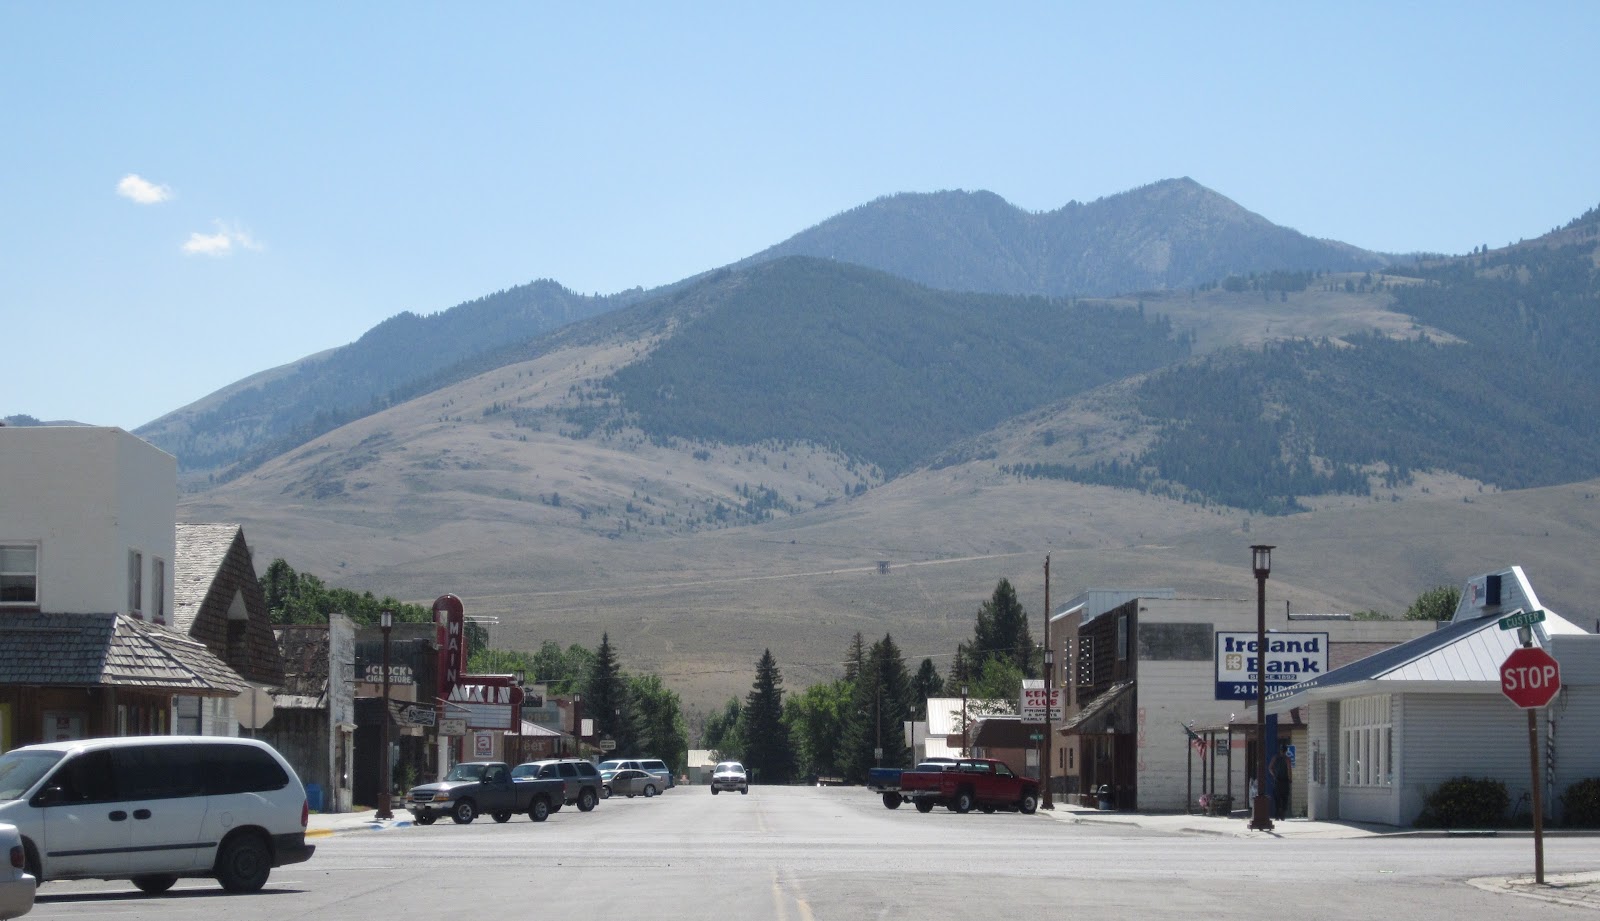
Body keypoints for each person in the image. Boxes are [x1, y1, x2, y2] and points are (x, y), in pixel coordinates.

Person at [1269, 742, 1292, 820]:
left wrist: (1274, 775)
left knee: (1277, 798)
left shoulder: (1275, 758)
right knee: (1284, 798)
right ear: (1286, 751)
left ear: (1280, 750)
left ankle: (1277, 815)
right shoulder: (1287, 759)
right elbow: (1289, 770)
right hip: (1285, 781)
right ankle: (1282, 815)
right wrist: (1290, 779)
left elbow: (1270, 768)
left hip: (1277, 781)